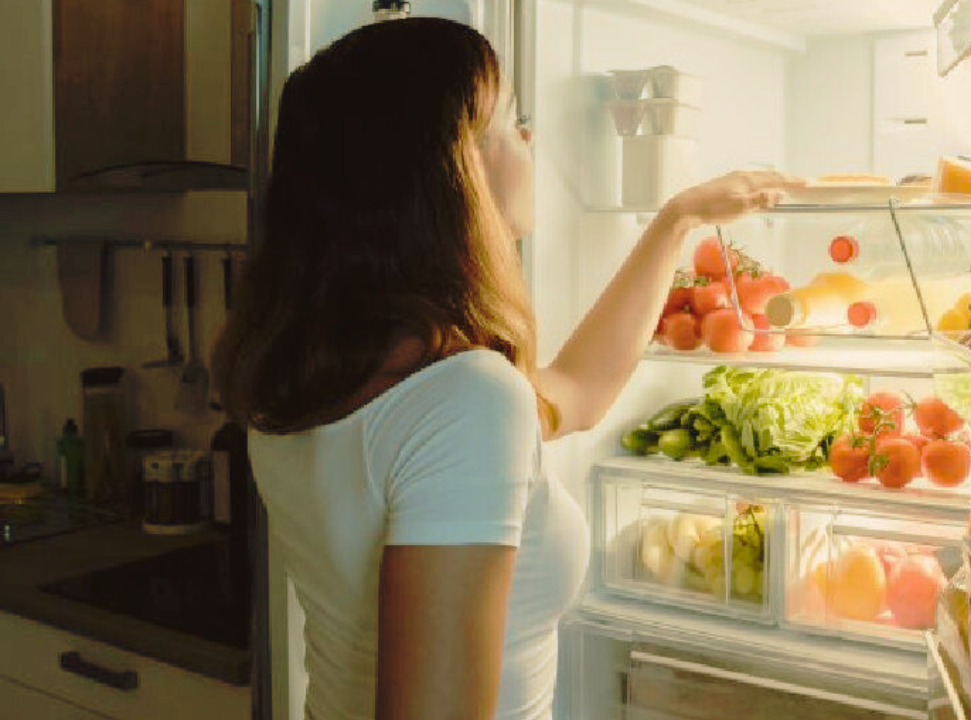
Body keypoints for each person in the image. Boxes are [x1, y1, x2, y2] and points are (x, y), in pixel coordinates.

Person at [212, 17, 801, 720]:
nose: (531, 141)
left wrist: (675, 221)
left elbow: (577, 394)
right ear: (458, 166)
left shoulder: (312, 370)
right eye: (516, 123)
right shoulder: (464, 399)